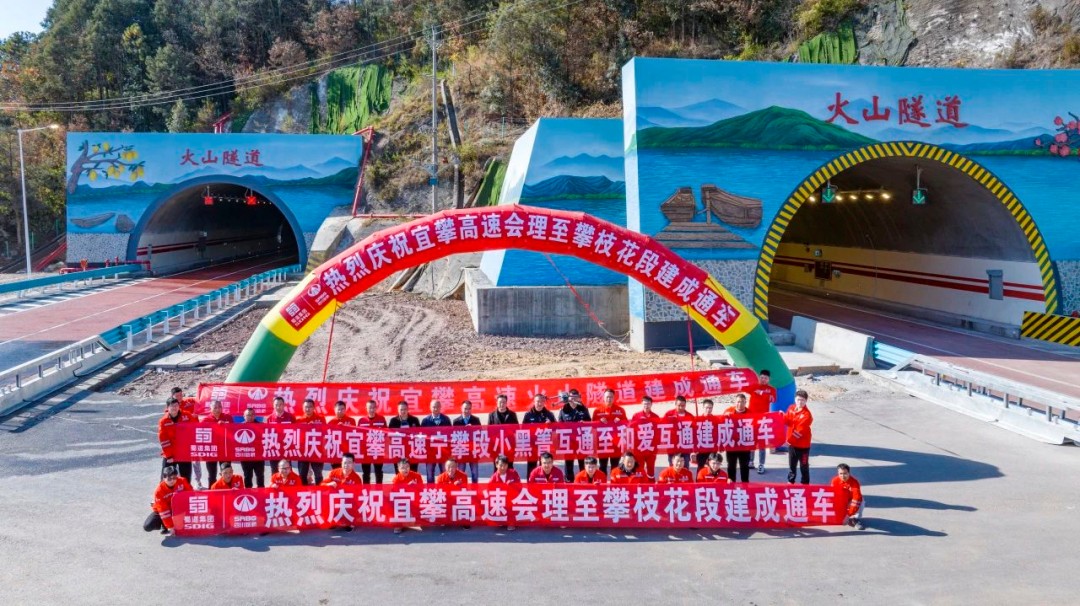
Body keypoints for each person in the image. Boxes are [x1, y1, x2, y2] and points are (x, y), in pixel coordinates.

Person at [143, 465, 193, 535]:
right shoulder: (159, 491)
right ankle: (164, 525)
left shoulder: (182, 481)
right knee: (148, 526)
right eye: (169, 479)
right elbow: (163, 510)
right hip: (163, 510)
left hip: (177, 508)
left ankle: (174, 522)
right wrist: (170, 526)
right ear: (164, 478)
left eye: (174, 478)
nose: (172, 480)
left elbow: (191, 494)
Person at [158, 398, 194, 484]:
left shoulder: (187, 416)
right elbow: (163, 440)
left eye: (176, 405)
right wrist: (169, 456)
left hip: (184, 453)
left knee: (186, 479)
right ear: (167, 407)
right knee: (165, 479)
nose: (174, 408)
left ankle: (186, 491)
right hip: (170, 454)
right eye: (172, 406)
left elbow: (196, 428)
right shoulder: (163, 421)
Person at [747, 369, 777, 474]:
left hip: (763, 420)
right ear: (759, 377)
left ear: (769, 379)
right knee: (751, 441)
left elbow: (773, 399)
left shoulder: (771, 389)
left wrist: (761, 393)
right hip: (751, 419)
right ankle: (750, 461)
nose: (763, 379)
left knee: (762, 443)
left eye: (765, 378)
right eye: (762, 377)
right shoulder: (754, 386)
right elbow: (745, 388)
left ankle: (761, 464)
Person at [557, 389, 591, 479]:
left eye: (575, 397)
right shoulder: (564, 409)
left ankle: (584, 479)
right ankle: (569, 480)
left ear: (578, 398)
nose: (573, 399)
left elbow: (590, 423)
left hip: (581, 440)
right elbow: (559, 425)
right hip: (568, 441)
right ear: (568, 398)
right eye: (571, 397)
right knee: (568, 462)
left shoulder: (583, 409)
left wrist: (585, 423)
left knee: (583, 462)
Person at [592, 388, 627, 474]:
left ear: (614, 398)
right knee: (602, 466)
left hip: (616, 444)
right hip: (603, 443)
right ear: (603, 398)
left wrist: (621, 422)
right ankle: (602, 481)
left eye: (611, 397)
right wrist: (598, 422)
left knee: (615, 466)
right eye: (607, 397)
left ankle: (614, 482)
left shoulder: (620, 410)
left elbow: (626, 425)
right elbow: (592, 427)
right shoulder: (597, 411)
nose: (609, 399)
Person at [199, 399, 232, 486]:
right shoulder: (205, 420)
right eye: (215, 407)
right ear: (210, 408)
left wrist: (226, 425)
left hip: (225, 450)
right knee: (212, 474)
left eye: (219, 407)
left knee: (226, 473)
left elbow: (233, 432)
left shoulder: (228, 417)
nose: (218, 409)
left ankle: (227, 490)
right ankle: (212, 491)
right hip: (211, 450)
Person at [522, 394, 556, 477]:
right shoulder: (528, 415)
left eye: (541, 401)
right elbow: (523, 430)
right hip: (532, 444)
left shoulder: (549, 414)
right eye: (537, 401)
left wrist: (551, 425)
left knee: (545, 464)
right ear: (534, 402)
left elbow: (556, 429)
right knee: (531, 465)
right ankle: (530, 482)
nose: (539, 403)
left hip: (544, 444)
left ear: (544, 402)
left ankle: (544, 481)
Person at [785, 389, 814, 485]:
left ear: (806, 401)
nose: (800, 402)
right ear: (795, 399)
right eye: (798, 399)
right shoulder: (791, 408)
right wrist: (780, 416)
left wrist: (789, 441)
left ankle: (805, 484)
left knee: (804, 466)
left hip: (803, 446)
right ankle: (790, 481)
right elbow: (787, 420)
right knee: (792, 465)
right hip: (792, 445)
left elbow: (799, 431)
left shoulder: (807, 415)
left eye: (802, 400)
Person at [723, 394, 754, 483]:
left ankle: (745, 484)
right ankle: (731, 485)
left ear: (745, 402)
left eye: (742, 402)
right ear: (735, 402)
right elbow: (721, 424)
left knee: (744, 466)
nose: (740, 404)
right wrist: (725, 416)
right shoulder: (728, 411)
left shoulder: (750, 413)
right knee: (731, 465)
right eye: (738, 402)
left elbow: (755, 428)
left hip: (744, 445)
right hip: (731, 444)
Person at [295, 398, 325, 486]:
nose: (308, 409)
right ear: (303, 408)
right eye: (306, 407)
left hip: (316, 450)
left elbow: (325, 433)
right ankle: (304, 491)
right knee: (302, 474)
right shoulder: (299, 420)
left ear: (314, 408)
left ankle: (319, 491)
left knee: (318, 474)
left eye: (310, 407)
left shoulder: (321, 419)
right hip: (303, 451)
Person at [356, 399, 387, 484]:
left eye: (374, 407)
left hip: (378, 450)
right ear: (366, 408)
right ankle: (366, 490)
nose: (372, 410)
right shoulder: (362, 420)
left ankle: (379, 489)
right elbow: (358, 435)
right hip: (365, 450)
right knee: (366, 473)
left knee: (378, 471)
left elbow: (386, 433)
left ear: (376, 408)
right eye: (370, 408)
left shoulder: (381, 419)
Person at [487, 394, 520, 474]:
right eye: (500, 402)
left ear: (506, 403)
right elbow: (488, 431)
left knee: (509, 466)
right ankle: (497, 482)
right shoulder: (491, 415)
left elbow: (517, 429)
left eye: (504, 402)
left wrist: (508, 431)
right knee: (497, 466)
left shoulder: (512, 415)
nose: (502, 404)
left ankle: (510, 481)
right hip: (496, 445)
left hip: (509, 445)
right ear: (496, 403)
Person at [629, 396, 660, 479]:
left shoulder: (655, 417)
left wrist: (656, 446)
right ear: (642, 404)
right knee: (639, 470)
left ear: (651, 404)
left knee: (651, 470)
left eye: (648, 404)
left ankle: (651, 486)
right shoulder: (636, 416)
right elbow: (631, 430)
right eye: (645, 404)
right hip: (639, 448)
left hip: (651, 449)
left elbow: (658, 433)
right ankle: (640, 486)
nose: (646, 406)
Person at [421, 400, 453, 482]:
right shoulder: (425, 420)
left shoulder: (446, 419)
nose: (435, 409)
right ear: (430, 408)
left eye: (437, 407)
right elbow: (422, 436)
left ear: (440, 407)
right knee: (430, 474)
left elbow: (450, 434)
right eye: (434, 407)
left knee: (444, 473)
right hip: (430, 452)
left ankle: (444, 488)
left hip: (443, 451)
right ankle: (430, 489)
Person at [391, 458, 424, 535]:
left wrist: (416, 486)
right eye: (402, 468)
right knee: (395, 503)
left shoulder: (417, 476)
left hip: (415, 499)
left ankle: (420, 519)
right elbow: (394, 493)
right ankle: (398, 523)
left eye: (407, 467)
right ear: (398, 469)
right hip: (402, 501)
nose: (405, 469)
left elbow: (422, 490)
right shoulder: (396, 479)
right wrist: (406, 486)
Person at [488, 454, 521, 531]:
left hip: (513, 498)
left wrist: (513, 486)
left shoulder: (513, 473)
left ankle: (511, 522)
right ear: (496, 465)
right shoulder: (493, 478)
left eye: (505, 465)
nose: (503, 468)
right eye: (501, 465)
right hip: (500, 500)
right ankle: (501, 520)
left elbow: (520, 487)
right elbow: (489, 492)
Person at [453, 400, 482, 483]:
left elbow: (480, 434)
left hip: (473, 450)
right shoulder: (456, 421)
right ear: (461, 408)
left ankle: (475, 489)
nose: (467, 411)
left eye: (469, 409)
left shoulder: (476, 420)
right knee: (460, 472)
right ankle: (461, 488)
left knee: (475, 473)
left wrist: (473, 429)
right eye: (465, 408)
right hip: (461, 450)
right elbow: (454, 436)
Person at [664, 396, 695, 472]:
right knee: (672, 467)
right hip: (672, 446)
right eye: (679, 405)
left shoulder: (690, 416)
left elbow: (694, 433)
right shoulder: (669, 414)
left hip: (685, 446)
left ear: (685, 405)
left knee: (685, 467)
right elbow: (662, 427)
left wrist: (693, 450)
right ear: (675, 404)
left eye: (683, 405)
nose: (681, 407)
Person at [388, 401, 421, 472]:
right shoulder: (393, 421)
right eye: (401, 410)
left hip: (412, 450)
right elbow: (390, 435)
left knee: (413, 471)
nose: (403, 411)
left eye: (405, 409)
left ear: (408, 409)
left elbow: (419, 434)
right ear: (398, 410)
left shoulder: (414, 420)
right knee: (400, 472)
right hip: (398, 450)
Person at [266, 396, 295, 477]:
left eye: (280, 404)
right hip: (274, 449)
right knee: (274, 471)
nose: (278, 407)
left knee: (287, 471)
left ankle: (288, 485)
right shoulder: (269, 418)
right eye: (276, 405)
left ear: (284, 405)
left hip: (286, 448)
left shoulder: (290, 417)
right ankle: (275, 485)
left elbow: (295, 433)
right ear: (273, 405)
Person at [832, 463, 866, 530]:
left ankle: (855, 519)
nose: (843, 476)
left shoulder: (855, 482)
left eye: (845, 473)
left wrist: (848, 515)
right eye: (840, 473)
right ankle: (840, 515)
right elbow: (833, 495)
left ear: (849, 473)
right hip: (842, 500)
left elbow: (856, 499)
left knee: (861, 500)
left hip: (850, 501)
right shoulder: (834, 481)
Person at [238, 408, 266, 488]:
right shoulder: (238, 427)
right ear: (244, 416)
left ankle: (261, 492)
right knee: (247, 477)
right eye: (248, 415)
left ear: (255, 416)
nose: (250, 417)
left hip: (258, 456)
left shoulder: (261, 426)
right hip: (245, 456)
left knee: (260, 476)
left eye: (252, 415)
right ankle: (248, 493)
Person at [694, 399, 719, 472]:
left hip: (712, 447)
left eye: (710, 408)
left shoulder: (716, 420)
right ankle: (699, 479)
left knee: (712, 466)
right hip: (701, 447)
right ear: (703, 407)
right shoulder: (697, 420)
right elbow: (694, 435)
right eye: (706, 408)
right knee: (700, 466)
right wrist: (694, 449)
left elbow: (718, 434)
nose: (708, 410)